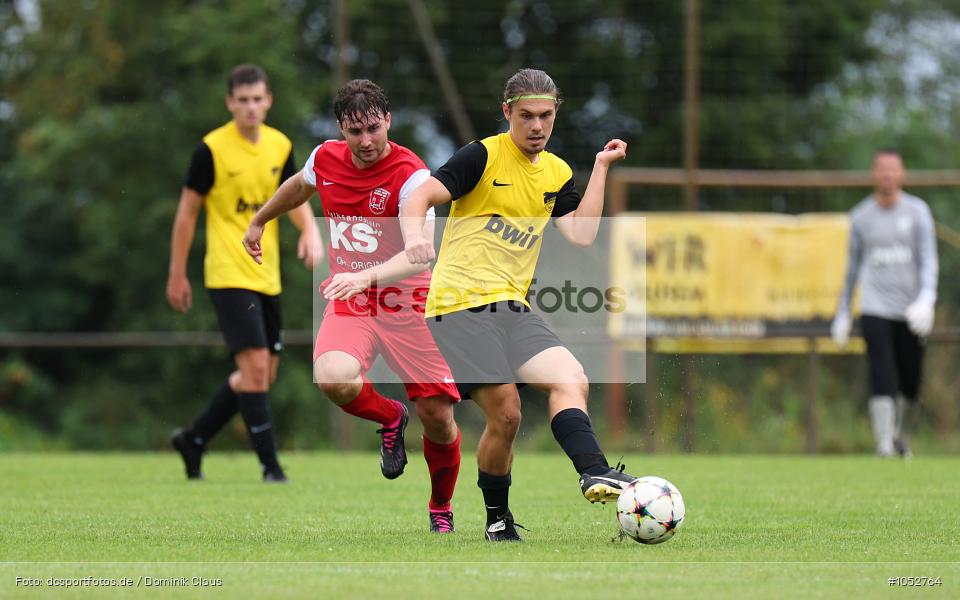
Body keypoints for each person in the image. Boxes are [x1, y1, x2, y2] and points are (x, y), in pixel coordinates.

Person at [401, 68, 636, 542]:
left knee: (571, 378)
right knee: (506, 414)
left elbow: (582, 233)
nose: (536, 126)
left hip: (511, 305)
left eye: (545, 116)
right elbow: (421, 195)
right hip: (459, 303)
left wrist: (602, 169)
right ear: (507, 112)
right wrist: (412, 242)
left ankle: (594, 472)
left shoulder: (557, 172)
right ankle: (497, 519)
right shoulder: (482, 156)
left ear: (555, 115)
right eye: (526, 115)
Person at [242, 79, 462, 533]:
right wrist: (260, 220)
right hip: (353, 301)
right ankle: (390, 416)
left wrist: (362, 274)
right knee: (333, 377)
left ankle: (441, 507)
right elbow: (300, 187)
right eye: (354, 131)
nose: (364, 141)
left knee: (439, 419)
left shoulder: (413, 176)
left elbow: (420, 253)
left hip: (409, 300)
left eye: (373, 129)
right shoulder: (324, 157)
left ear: (388, 122)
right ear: (340, 128)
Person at [167, 64, 323, 482]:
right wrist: (177, 273)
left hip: (266, 275)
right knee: (255, 368)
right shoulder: (211, 150)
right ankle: (271, 467)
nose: (251, 107)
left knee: (262, 375)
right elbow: (186, 214)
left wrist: (309, 230)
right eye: (243, 100)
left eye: (258, 99)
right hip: (227, 272)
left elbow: (295, 195)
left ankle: (195, 438)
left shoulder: (280, 145)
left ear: (268, 100)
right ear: (230, 103)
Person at [831, 149, 939, 458]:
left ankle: (901, 436)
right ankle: (883, 444)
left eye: (893, 169)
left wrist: (927, 299)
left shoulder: (918, 212)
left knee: (910, 380)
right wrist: (842, 313)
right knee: (882, 373)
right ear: (873, 174)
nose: (888, 175)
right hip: (875, 307)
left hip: (911, 310)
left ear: (902, 174)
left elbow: (928, 260)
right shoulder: (861, 216)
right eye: (882, 169)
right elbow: (851, 269)